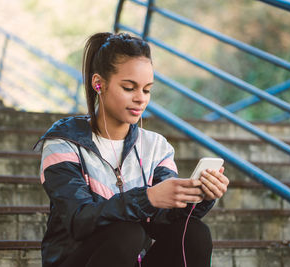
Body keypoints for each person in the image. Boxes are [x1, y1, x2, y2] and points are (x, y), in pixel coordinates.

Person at [34, 32, 229, 267]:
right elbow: (79, 220)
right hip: (78, 259)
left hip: (133, 259)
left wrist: (200, 197)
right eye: (129, 88)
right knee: (126, 233)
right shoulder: (63, 144)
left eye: (146, 90)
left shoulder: (156, 147)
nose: (140, 99)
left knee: (194, 233)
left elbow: (163, 223)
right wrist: (148, 197)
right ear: (99, 84)